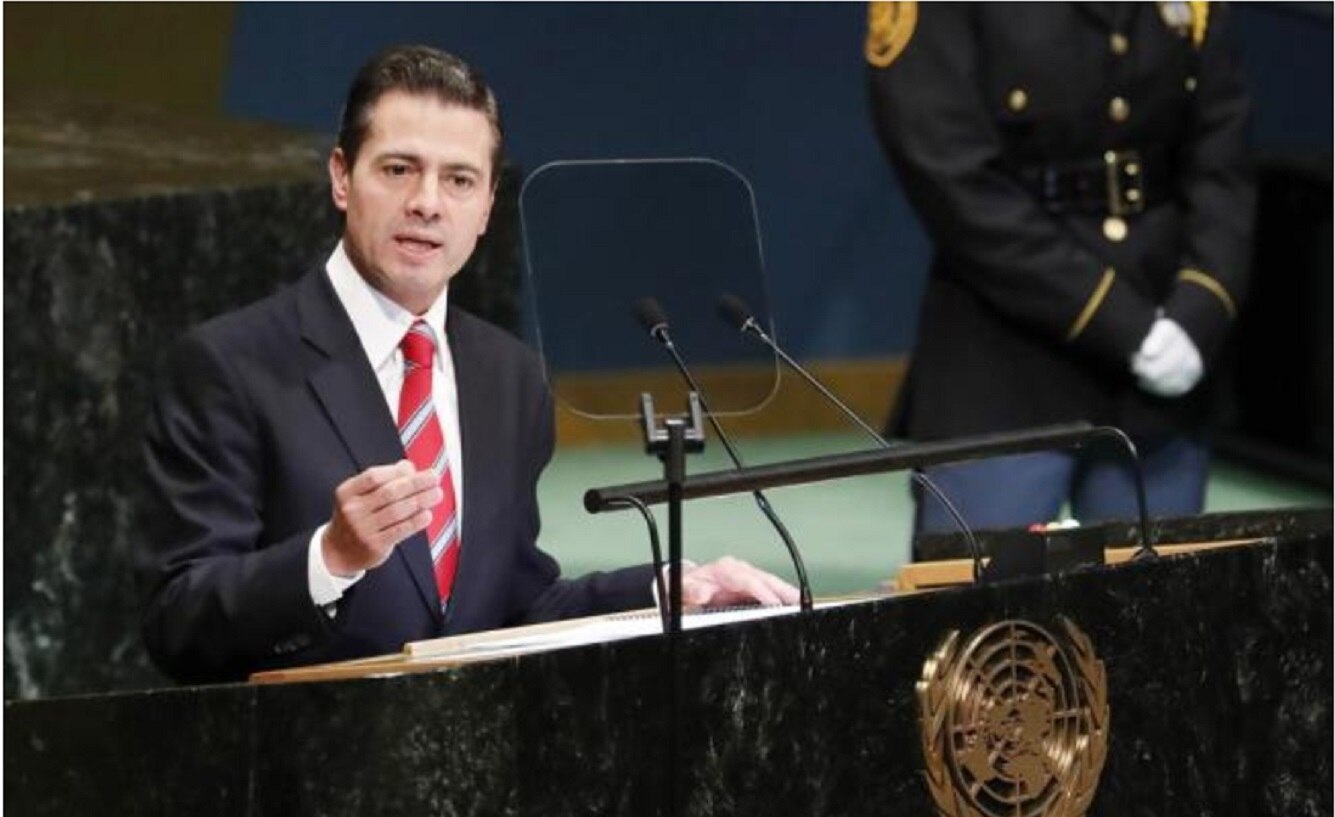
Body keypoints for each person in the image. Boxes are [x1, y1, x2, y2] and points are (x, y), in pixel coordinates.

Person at [137, 44, 797, 684]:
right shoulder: (229, 364)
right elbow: (178, 619)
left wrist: (666, 588)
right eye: (398, 169)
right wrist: (327, 558)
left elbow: (512, 607)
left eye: (458, 179)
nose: (427, 202)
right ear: (341, 177)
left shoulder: (507, 376)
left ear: (485, 208)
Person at [864, 2, 1255, 538]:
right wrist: (1123, 324)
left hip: (1164, 349)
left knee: (1158, 607)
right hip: (1006, 356)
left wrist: (1200, 309)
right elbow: (949, 175)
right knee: (988, 611)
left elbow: (1223, 166)